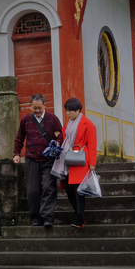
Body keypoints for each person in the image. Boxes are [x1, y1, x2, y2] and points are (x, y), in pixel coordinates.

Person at [13, 94, 64, 227]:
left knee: (48, 187)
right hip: (31, 160)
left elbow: (60, 135)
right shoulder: (25, 120)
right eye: (34, 108)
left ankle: (48, 218)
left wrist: (57, 145)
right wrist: (16, 154)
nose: (37, 110)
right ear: (30, 106)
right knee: (33, 190)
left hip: (48, 160)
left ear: (44, 106)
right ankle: (35, 218)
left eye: (39, 108)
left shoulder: (53, 119)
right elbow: (19, 138)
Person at [50, 97, 96, 228]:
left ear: (78, 110)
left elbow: (92, 144)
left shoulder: (88, 124)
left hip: (80, 160)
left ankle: (79, 217)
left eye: (71, 111)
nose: (68, 113)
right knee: (69, 190)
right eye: (67, 111)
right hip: (66, 160)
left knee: (79, 190)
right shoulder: (68, 125)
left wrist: (92, 163)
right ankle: (79, 215)